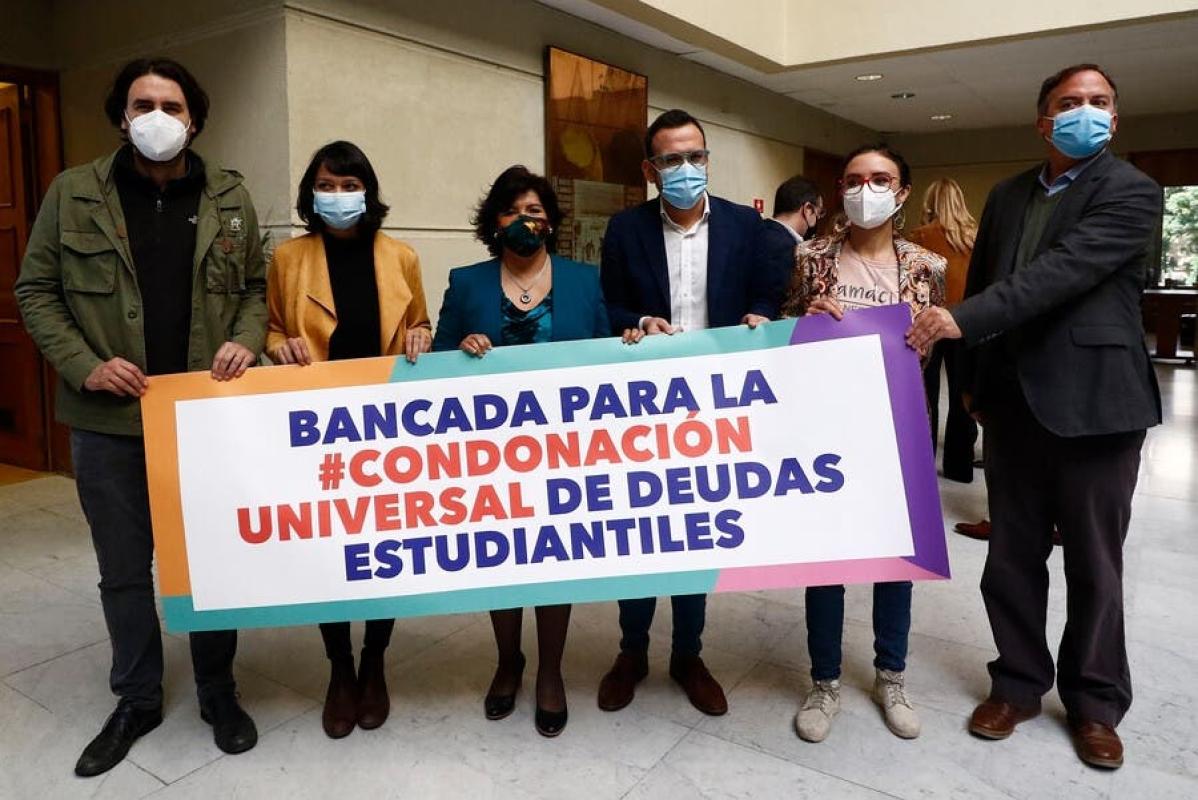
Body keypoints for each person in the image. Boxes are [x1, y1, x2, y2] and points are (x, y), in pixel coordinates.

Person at [14, 58, 265, 777]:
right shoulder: (73, 194)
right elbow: (35, 291)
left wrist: (245, 340)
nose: (158, 116)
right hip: (109, 421)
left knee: (213, 560)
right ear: (122, 118)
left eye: (172, 105)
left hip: (203, 419)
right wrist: (84, 364)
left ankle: (218, 689)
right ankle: (137, 698)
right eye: (142, 104)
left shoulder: (230, 195)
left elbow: (254, 286)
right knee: (124, 570)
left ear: (195, 119)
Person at [907, 64, 1162, 770]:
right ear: (1043, 120)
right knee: (1011, 559)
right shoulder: (1008, 193)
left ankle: (1095, 702)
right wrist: (974, 386)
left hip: (1099, 406)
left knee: (1095, 564)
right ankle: (1016, 684)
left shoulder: (1132, 191)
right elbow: (994, 276)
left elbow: (1060, 274)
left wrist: (956, 318)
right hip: (1014, 404)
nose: (1086, 111)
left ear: (1115, 117)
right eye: (1070, 102)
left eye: (1100, 102)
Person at [596, 108, 773, 718]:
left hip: (718, 407)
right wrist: (638, 321)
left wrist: (760, 315)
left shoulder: (746, 227)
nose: (685, 168)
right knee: (640, 533)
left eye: (694, 157)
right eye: (671, 160)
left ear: (707, 159)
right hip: (644, 408)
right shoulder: (626, 230)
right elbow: (609, 305)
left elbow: (765, 293)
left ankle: (688, 655)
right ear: (651, 170)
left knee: (695, 534)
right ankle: (631, 652)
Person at [433, 165, 616, 737]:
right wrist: (459, 348)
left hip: (566, 449)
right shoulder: (467, 282)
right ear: (494, 223)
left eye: (534, 211)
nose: (523, 220)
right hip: (491, 453)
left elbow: (607, 354)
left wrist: (633, 341)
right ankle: (508, 660)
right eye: (511, 211)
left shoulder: (583, 280)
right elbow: (437, 358)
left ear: (550, 222)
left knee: (555, 559)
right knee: (503, 558)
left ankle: (551, 671)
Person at [780, 143, 946, 744]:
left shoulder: (927, 266)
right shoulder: (810, 257)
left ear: (902, 193)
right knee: (827, 561)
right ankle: (824, 680)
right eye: (854, 180)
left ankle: (890, 676)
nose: (865, 190)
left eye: (880, 179)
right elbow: (784, 331)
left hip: (898, 428)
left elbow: (935, 345)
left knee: (895, 561)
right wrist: (804, 317)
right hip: (826, 428)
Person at [266, 140, 432, 739]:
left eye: (349, 185)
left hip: (386, 429)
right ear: (311, 194)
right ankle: (339, 666)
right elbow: (273, 328)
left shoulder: (401, 256)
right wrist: (278, 346)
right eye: (327, 185)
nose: (338, 196)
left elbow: (420, 323)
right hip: (319, 428)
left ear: (368, 191)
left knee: (382, 547)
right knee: (328, 549)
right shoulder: (288, 258)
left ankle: (375, 660)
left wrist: (422, 334)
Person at [907, 179, 978, 481]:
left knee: (927, 393)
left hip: (927, 322)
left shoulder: (918, 238)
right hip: (965, 322)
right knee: (963, 395)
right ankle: (960, 467)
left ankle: (922, 464)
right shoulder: (975, 237)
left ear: (930, 203)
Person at [757, 175, 824, 316]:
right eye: (819, 212)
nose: (818, 218)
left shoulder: (757, 231)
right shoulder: (790, 249)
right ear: (808, 209)